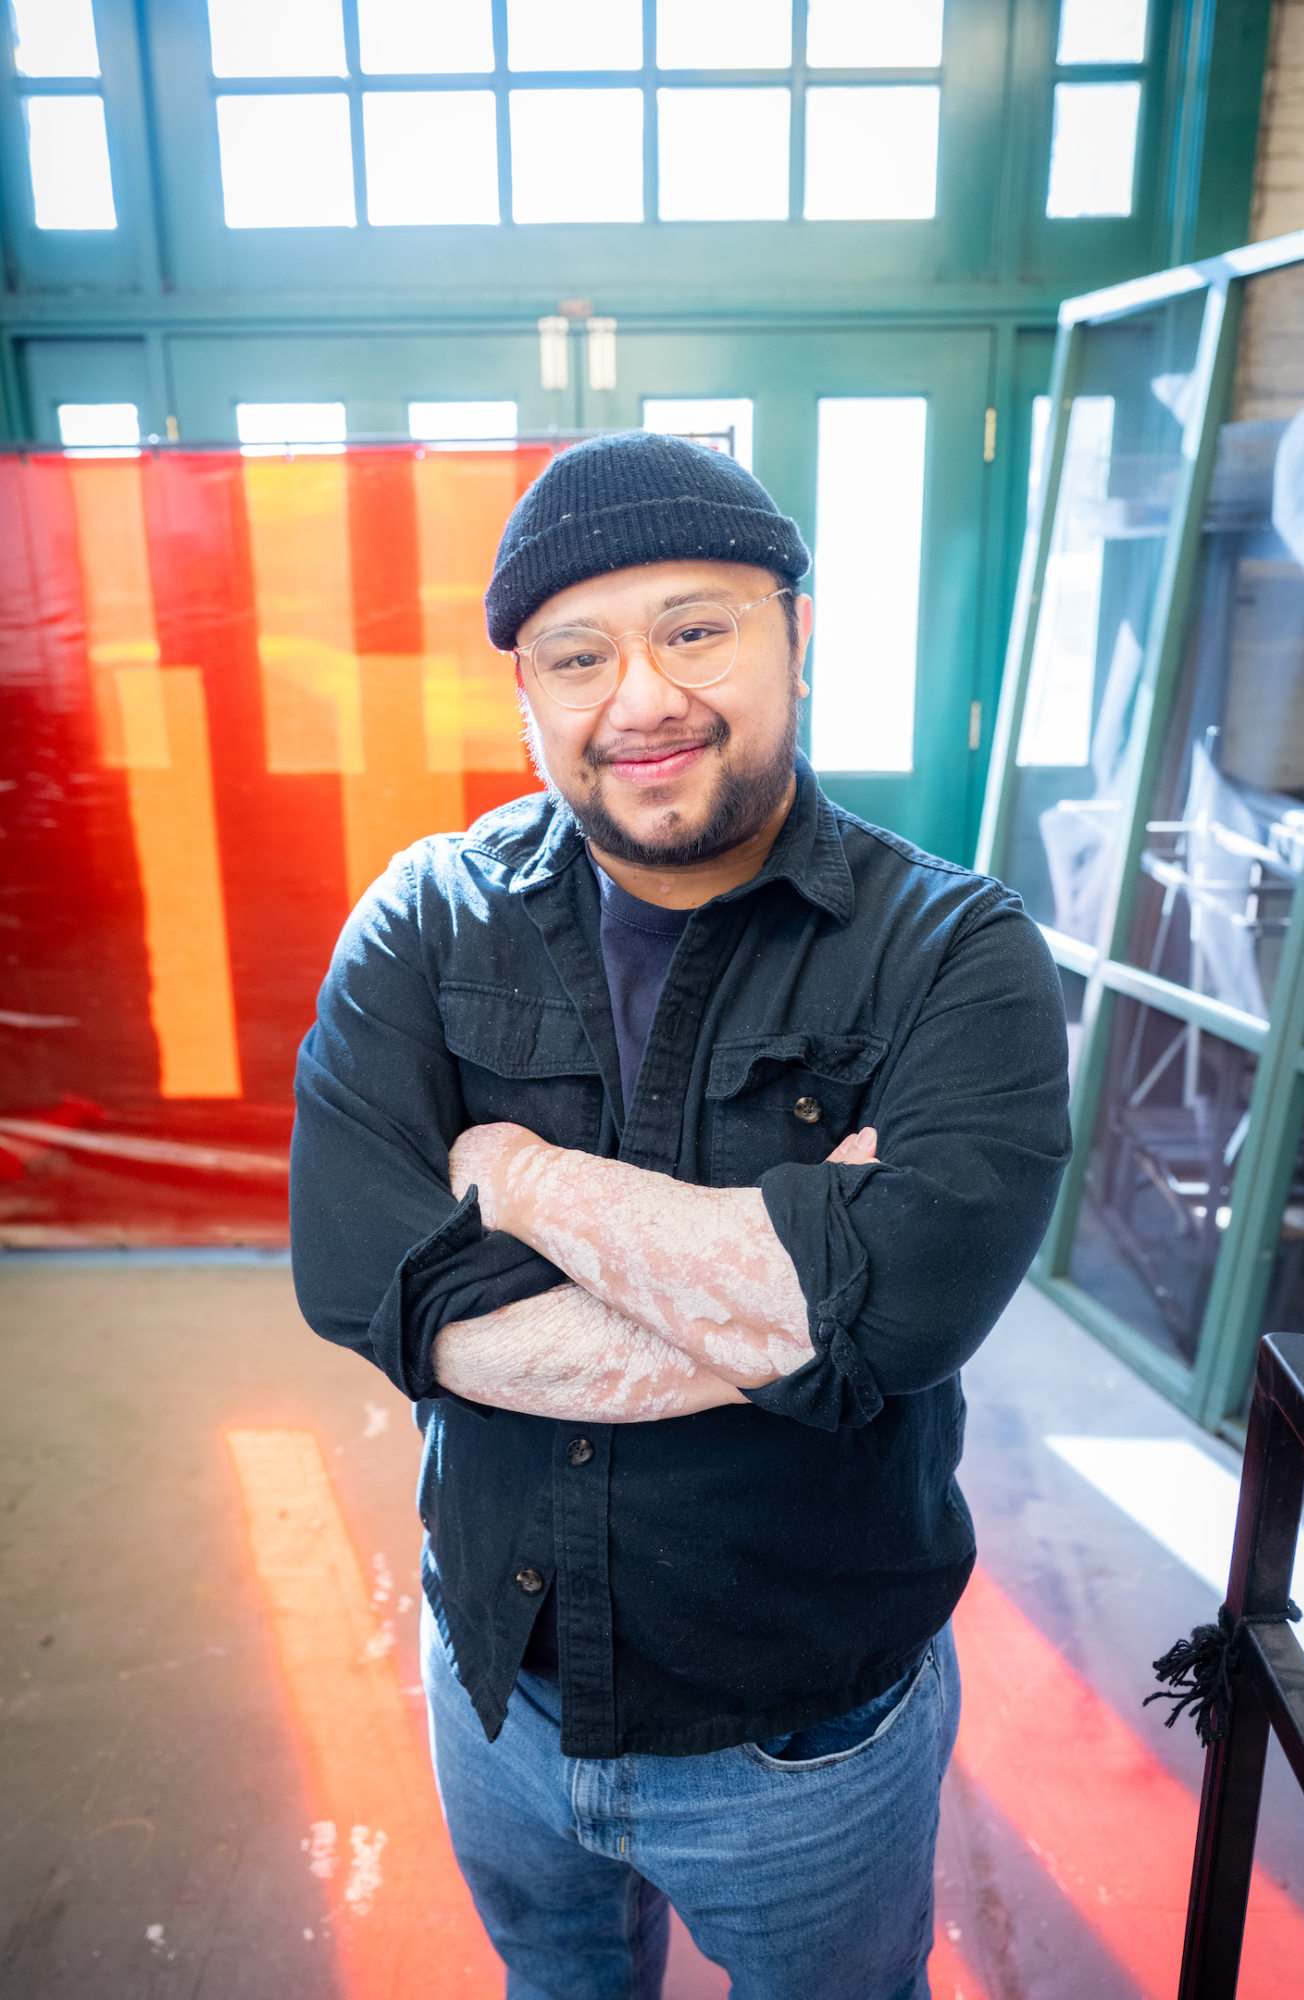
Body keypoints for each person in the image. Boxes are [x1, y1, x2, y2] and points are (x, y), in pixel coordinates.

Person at [291, 430, 1071, 1999]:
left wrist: (518, 1179)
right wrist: (794, 1289)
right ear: (527, 700)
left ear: (798, 634)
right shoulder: (425, 922)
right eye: (577, 656)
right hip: (498, 1683)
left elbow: (905, 1315)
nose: (639, 698)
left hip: (803, 1737)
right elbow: (357, 1273)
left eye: (695, 627)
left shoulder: (956, 955)